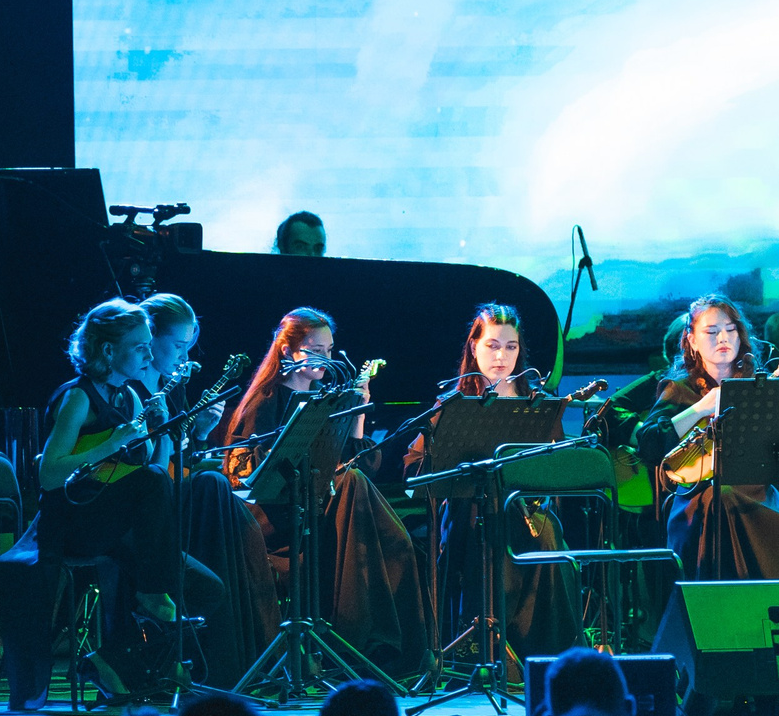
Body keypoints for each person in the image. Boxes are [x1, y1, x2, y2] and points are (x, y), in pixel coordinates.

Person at [220, 307, 427, 681]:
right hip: (278, 524)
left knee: (359, 492)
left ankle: (384, 646)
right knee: (355, 491)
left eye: (329, 350)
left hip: (320, 512)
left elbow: (360, 464)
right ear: (287, 351)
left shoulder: (326, 399)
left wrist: (358, 411)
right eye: (314, 349)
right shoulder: (265, 402)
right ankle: (367, 643)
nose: (324, 359)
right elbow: (245, 479)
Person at [0, 300, 186, 710]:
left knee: (204, 589)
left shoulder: (131, 397)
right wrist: (111, 442)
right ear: (107, 351)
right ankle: (153, 593)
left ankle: (109, 661)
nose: (149, 355)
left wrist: (167, 434)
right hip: (71, 524)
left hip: (112, 524)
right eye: (139, 347)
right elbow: (49, 474)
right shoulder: (78, 398)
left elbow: (147, 472)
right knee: (165, 576)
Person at [405, 303, 582, 661]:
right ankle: (490, 649)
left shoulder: (537, 402)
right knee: (495, 528)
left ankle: (548, 654)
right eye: (492, 345)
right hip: (471, 512)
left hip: (528, 512)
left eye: (511, 346)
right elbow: (414, 467)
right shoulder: (454, 402)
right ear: (474, 348)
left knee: (545, 532)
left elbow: (555, 468)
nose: (502, 355)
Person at [633, 294, 779, 582]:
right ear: (692, 340)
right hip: (701, 500)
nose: (723, 337)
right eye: (711, 332)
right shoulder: (679, 389)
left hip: (760, 495)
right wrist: (703, 406)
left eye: (731, 329)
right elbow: (648, 444)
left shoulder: (758, 380)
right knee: (722, 499)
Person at [144, 291, 279, 688]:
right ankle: (234, 655)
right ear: (149, 339)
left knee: (214, 488)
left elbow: (173, 463)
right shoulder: (139, 391)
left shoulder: (170, 387)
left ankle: (244, 654)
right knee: (212, 487)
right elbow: (150, 469)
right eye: (178, 346)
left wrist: (198, 433)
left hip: (169, 499)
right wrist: (176, 431)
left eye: (189, 347)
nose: (185, 357)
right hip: (145, 512)